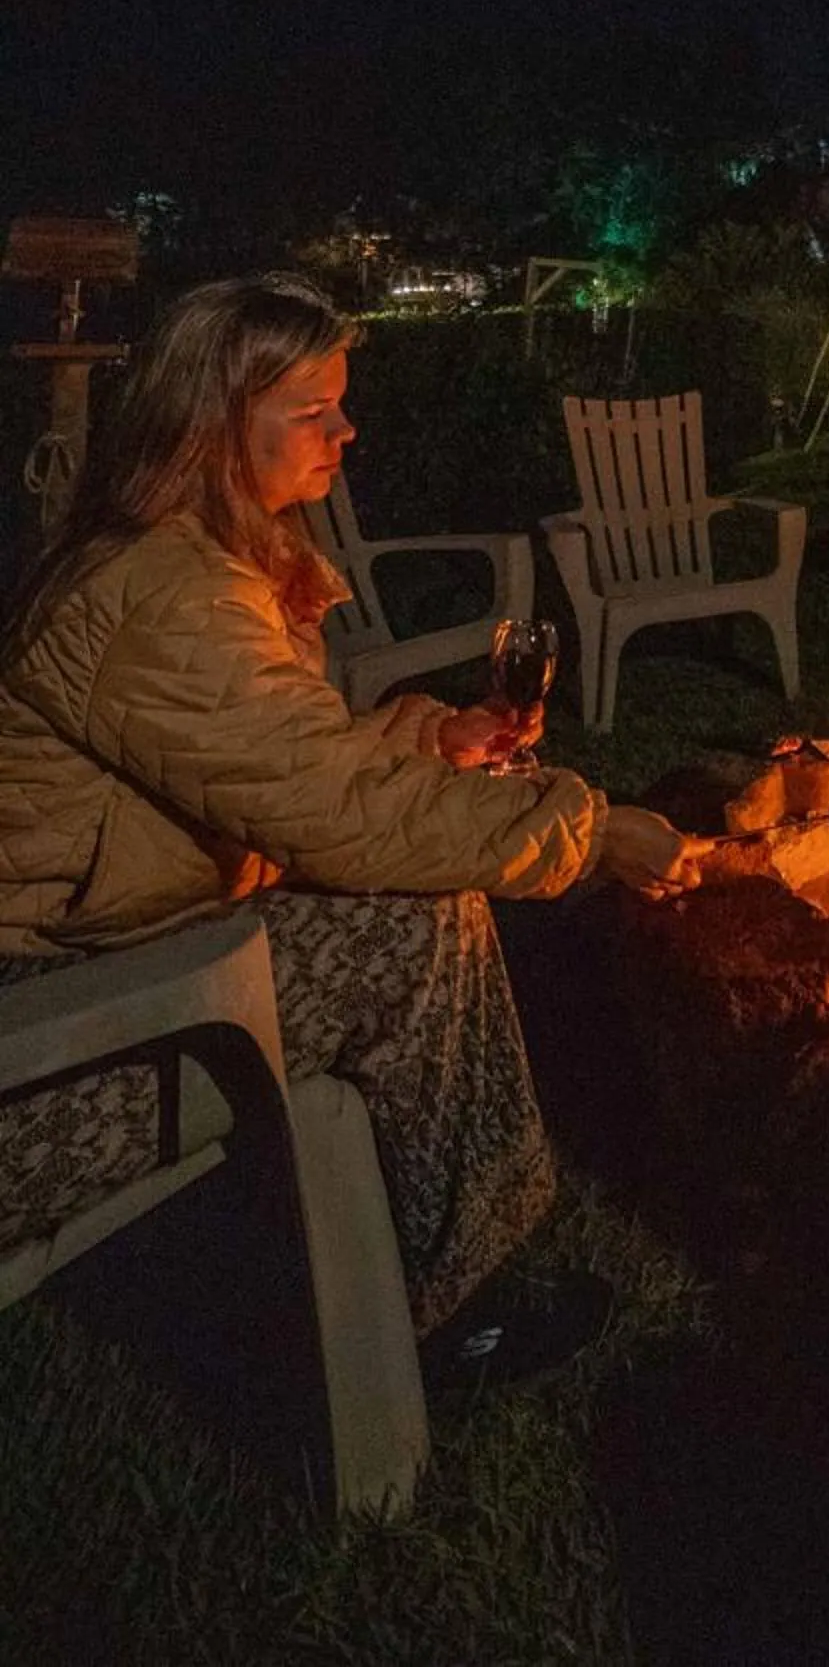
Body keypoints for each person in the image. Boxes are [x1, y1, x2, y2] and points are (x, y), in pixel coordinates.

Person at [0, 274, 709, 1380]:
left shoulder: (193, 563)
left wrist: (419, 744)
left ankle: (448, 1261)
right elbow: (338, 822)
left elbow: (280, 773)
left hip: (104, 957)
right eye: (313, 411)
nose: (347, 428)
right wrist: (590, 831)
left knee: (412, 886)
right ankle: (448, 1307)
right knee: (413, 926)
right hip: (38, 1047)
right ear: (216, 424)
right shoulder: (163, 595)